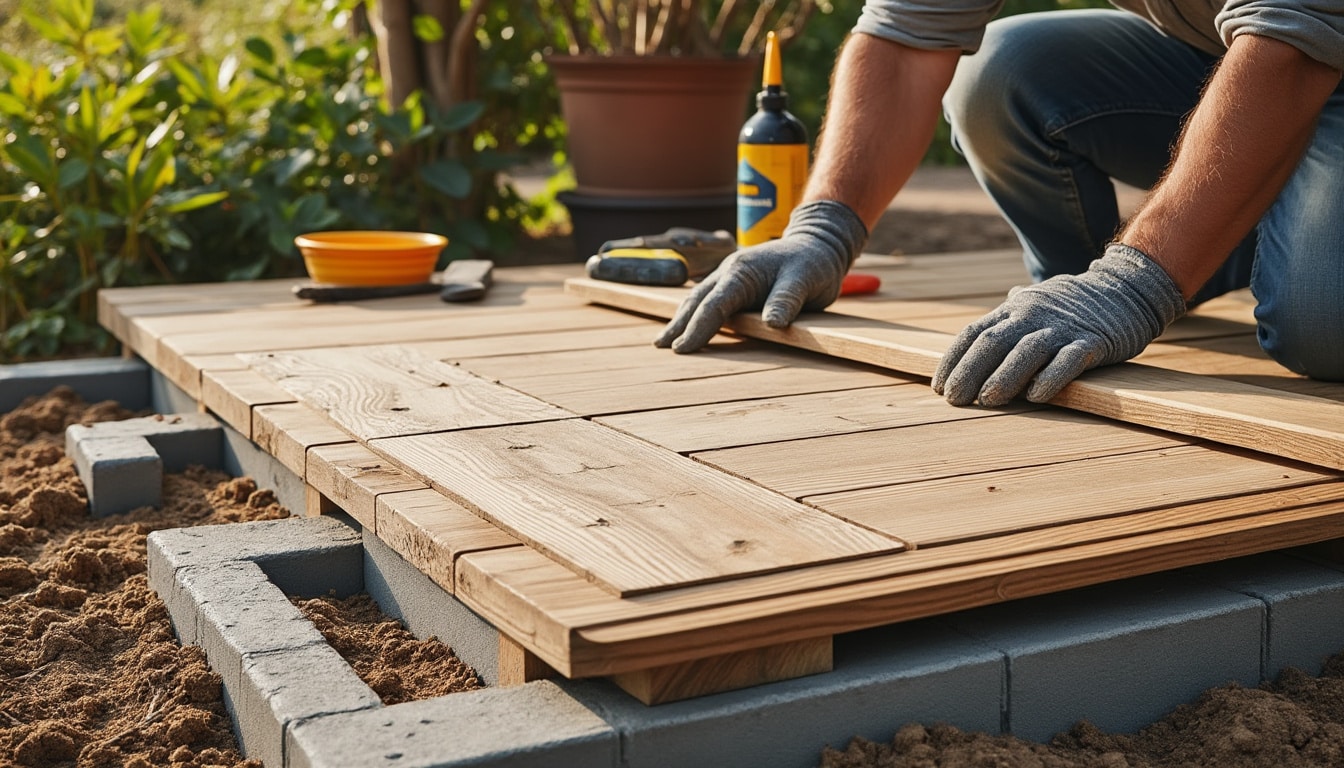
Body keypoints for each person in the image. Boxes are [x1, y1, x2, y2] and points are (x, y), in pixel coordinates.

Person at [654, 1, 1344, 407]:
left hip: (1300, 46)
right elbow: (904, 36)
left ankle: (1193, 254)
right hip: (1233, 51)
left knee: (1322, 322)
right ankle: (1215, 244)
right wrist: (823, 228)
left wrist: (1137, 285)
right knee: (1000, 74)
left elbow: (1297, 40)